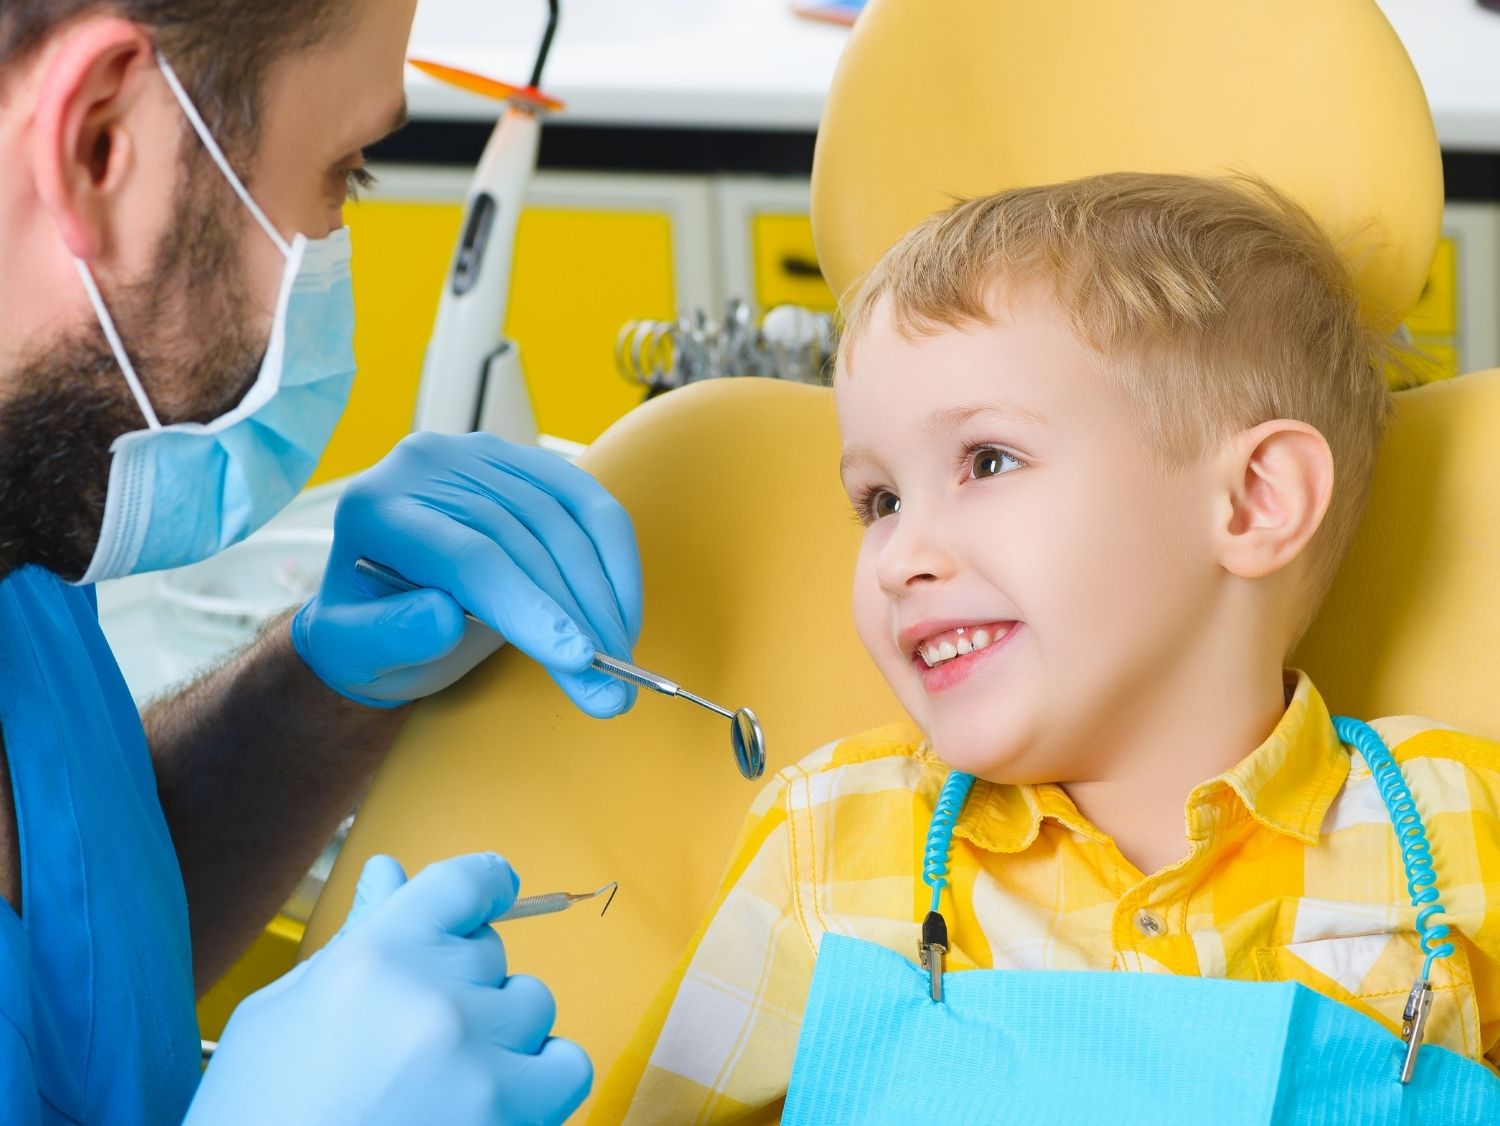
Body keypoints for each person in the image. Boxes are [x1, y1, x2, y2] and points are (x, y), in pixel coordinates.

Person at [593, 174, 1500, 1121]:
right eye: (880, 501)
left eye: (988, 462)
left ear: (1254, 500)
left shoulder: (1457, 830)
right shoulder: (827, 843)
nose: (901, 557)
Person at [0, 1, 642, 1122]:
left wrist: (315, 691)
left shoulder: (30, 533)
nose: (337, 237)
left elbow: (73, 974)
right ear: (101, 143)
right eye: (344, 172)